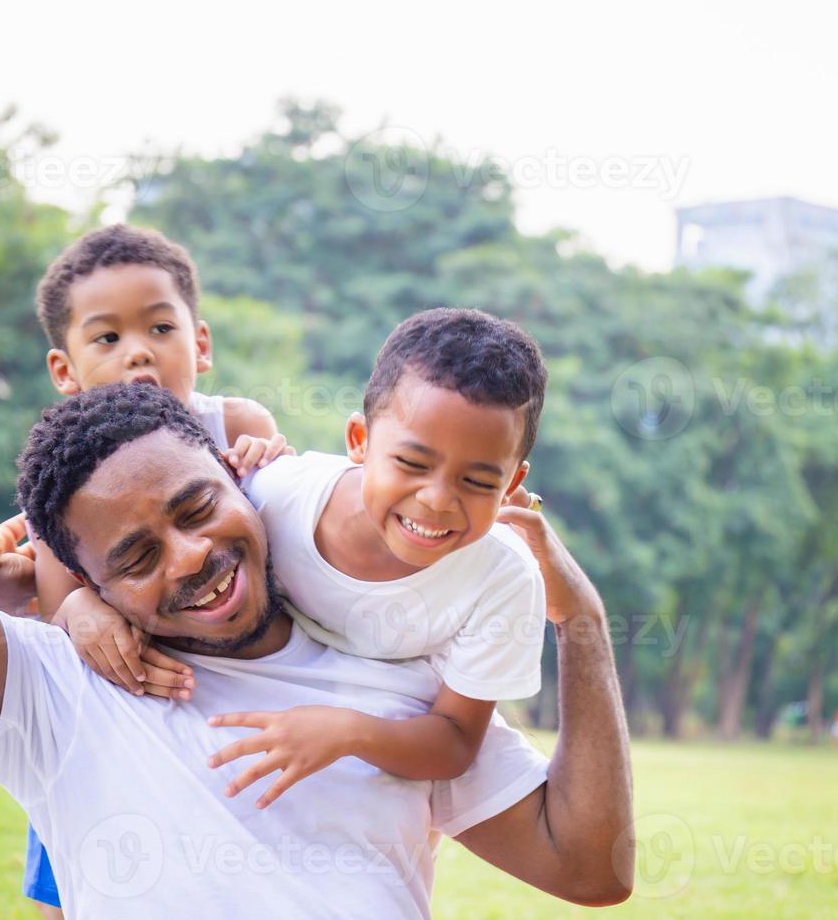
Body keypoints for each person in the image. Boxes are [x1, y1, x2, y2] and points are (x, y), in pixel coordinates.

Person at [0, 384, 635, 915]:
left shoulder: (400, 685)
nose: (191, 556)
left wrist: (585, 623)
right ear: (89, 583)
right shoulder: (53, 691)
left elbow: (590, 868)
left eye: (198, 508)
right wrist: (9, 576)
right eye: (136, 556)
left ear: (241, 478)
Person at [64, 307, 548, 799]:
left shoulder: (504, 578)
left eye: (477, 482)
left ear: (511, 485)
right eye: (410, 463)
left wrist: (347, 733)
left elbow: (457, 743)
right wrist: (80, 606)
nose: (437, 500)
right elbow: (124, 550)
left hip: (398, 727)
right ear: (359, 440)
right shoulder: (273, 497)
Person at [20, 222, 294, 915]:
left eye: (160, 329)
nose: (139, 353)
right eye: (107, 338)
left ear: (200, 343)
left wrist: (270, 464)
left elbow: (284, 536)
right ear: (66, 370)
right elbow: (61, 605)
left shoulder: (236, 423)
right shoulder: (68, 471)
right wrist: (83, 610)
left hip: (235, 685)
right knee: (80, 850)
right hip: (119, 700)